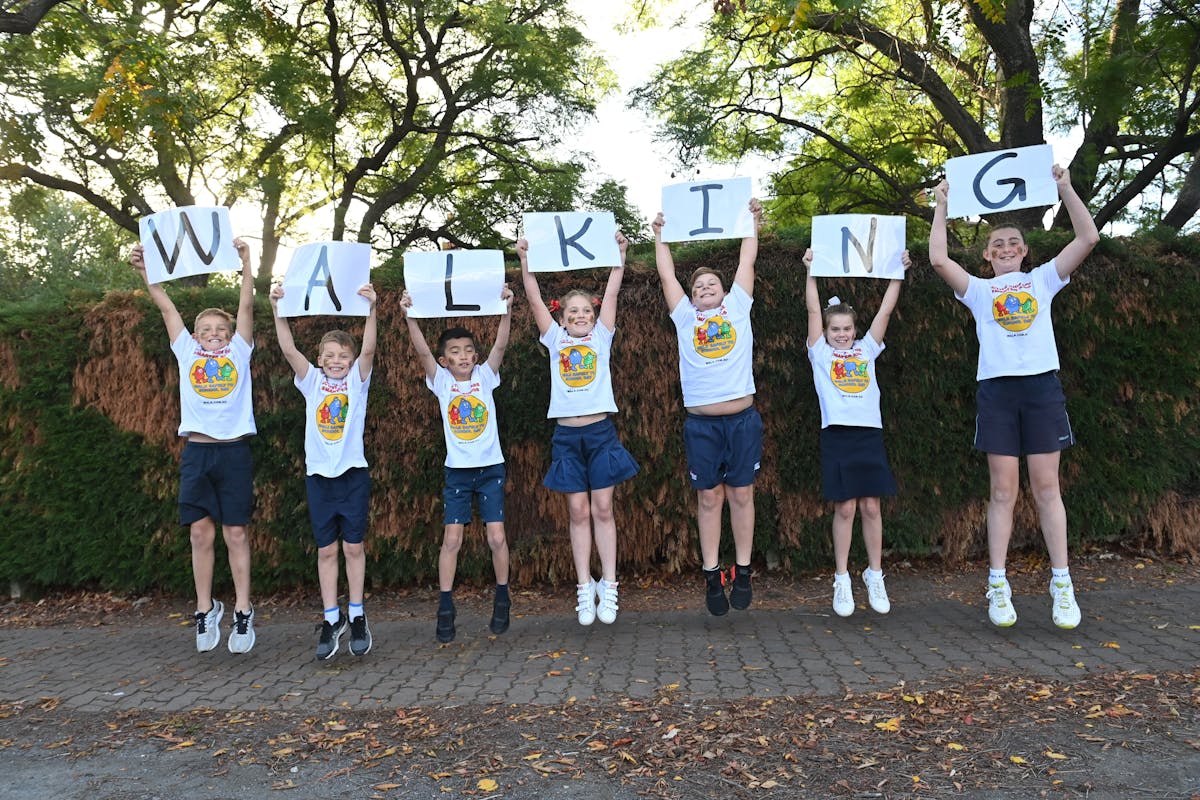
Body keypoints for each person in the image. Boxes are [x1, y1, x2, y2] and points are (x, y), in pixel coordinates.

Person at [929, 165, 1100, 629]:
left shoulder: (1043, 280)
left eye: (1013, 243)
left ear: (1025, 252)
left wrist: (1065, 187)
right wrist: (941, 206)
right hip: (998, 394)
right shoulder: (981, 292)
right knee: (1002, 490)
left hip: (1042, 389)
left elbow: (1087, 239)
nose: (1006, 248)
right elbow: (940, 262)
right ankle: (998, 584)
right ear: (987, 255)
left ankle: (1061, 584)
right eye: (997, 244)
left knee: (1047, 488)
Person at [129, 239, 258, 654]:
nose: (215, 334)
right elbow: (167, 307)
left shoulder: (240, 350)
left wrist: (246, 266)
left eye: (220, 329)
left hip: (234, 452)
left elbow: (247, 310)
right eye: (206, 330)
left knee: (236, 533)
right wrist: (146, 271)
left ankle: (242, 609)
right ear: (196, 336)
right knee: (200, 534)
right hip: (198, 453)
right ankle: (205, 608)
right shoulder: (187, 351)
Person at [517, 232, 640, 626]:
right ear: (562, 318)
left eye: (585, 310)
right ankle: (584, 587)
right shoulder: (555, 341)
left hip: (601, 433)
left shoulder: (602, 337)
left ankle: (611, 584)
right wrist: (524, 259)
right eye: (572, 313)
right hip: (567, 437)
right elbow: (534, 298)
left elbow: (613, 293)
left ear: (593, 313)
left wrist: (620, 255)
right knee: (577, 510)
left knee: (603, 508)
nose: (580, 317)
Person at [652, 198, 764, 616]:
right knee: (708, 500)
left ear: (724, 291)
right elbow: (666, 273)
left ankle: (745, 570)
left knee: (741, 494)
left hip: (742, 420)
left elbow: (746, 262)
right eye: (697, 286)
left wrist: (751, 221)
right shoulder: (684, 318)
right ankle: (712, 573)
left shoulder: (737, 307)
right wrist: (660, 235)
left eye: (710, 284)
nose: (703, 289)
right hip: (701, 426)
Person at [399, 286, 514, 643]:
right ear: (445, 360)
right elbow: (420, 351)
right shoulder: (442, 383)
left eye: (468, 351)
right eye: (454, 352)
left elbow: (500, 345)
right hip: (458, 474)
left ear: (475, 356)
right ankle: (445, 605)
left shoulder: (485, 376)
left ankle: (502, 596)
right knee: (452, 539)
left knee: (496, 537)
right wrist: (409, 316)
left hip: (490, 468)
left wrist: (506, 310)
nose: (462, 356)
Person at [269, 282, 378, 660]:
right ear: (320, 359)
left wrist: (372, 309)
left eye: (341, 355)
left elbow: (368, 348)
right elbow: (287, 348)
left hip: (352, 475)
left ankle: (358, 614)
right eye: (329, 355)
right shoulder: (312, 382)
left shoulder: (356, 383)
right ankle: (332, 619)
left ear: (349, 361)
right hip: (319, 478)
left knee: (353, 546)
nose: (336, 360)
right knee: (327, 550)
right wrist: (277, 308)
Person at [803, 248, 910, 617]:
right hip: (837, 435)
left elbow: (885, 312)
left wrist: (897, 274)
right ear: (827, 333)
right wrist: (811, 272)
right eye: (836, 329)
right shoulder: (819, 353)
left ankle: (875, 574)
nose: (842, 334)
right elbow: (814, 311)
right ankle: (842, 578)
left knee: (871, 506)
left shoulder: (866, 350)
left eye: (847, 328)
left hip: (869, 435)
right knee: (845, 507)